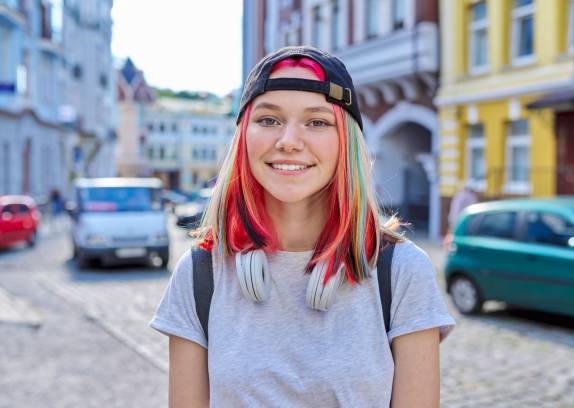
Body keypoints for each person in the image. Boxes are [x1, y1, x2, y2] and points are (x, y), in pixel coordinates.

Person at [150, 46, 455, 407]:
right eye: (268, 120)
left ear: (346, 142)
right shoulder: (201, 274)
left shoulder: (402, 272)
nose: (289, 142)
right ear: (243, 138)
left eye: (317, 122)